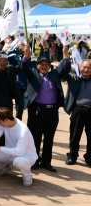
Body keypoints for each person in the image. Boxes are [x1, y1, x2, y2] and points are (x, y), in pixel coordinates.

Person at [22, 43, 70, 172]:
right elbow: (24, 68)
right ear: (37, 66)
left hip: (52, 111)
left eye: (47, 64)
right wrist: (26, 57)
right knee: (35, 137)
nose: (44, 66)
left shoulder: (54, 74)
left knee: (49, 137)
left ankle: (46, 161)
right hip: (37, 110)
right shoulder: (33, 74)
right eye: (41, 64)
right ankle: (35, 160)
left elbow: (65, 69)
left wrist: (66, 56)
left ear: (50, 66)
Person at [0, 107, 38, 187]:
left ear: (7, 120)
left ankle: (27, 177)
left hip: (26, 156)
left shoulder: (23, 130)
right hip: (11, 153)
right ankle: (3, 168)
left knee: (19, 161)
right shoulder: (5, 122)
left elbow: (20, 152)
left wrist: (0, 149)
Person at [62, 59, 91, 166]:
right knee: (75, 135)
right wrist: (66, 58)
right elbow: (64, 72)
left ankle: (89, 157)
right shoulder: (74, 79)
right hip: (78, 110)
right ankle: (72, 156)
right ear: (80, 67)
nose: (86, 69)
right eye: (84, 67)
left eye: (89, 67)